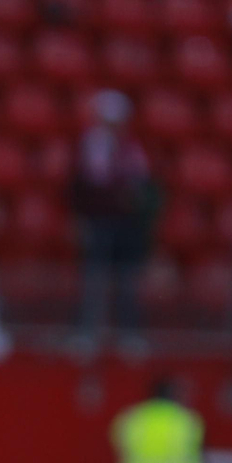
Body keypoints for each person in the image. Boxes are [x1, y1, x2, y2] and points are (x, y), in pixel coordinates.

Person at [72, 90, 155, 342]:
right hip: (98, 220)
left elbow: (141, 186)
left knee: (126, 281)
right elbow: (88, 183)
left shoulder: (133, 148)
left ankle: (128, 333)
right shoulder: (89, 145)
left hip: (126, 223)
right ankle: (88, 331)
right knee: (94, 278)